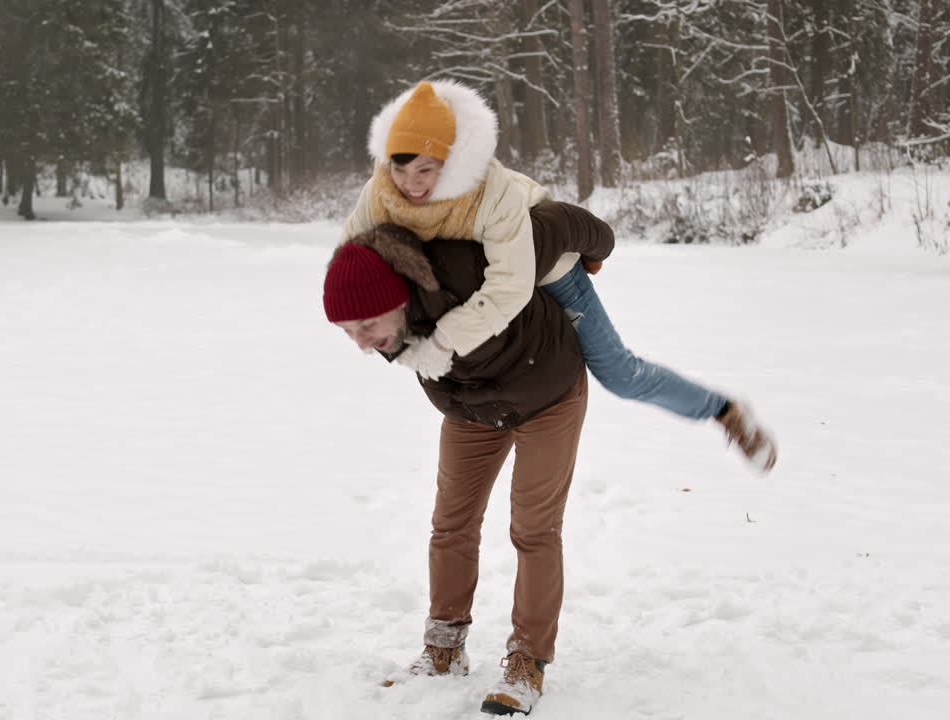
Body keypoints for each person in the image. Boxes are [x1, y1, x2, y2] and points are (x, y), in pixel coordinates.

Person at [343, 80, 777, 471]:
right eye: (400, 170)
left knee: (619, 374)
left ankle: (723, 411)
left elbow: (513, 283)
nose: (412, 184)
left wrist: (441, 342)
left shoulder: (490, 191)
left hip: (547, 271)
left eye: (425, 169)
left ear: (450, 160)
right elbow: (352, 265)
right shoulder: (380, 195)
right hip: (481, 286)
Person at [323, 204, 612, 716]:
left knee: (534, 529)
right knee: (451, 523)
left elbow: (551, 224)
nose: (363, 345)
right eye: (349, 333)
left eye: (366, 326)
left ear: (396, 299)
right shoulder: (391, 326)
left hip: (547, 392)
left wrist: (599, 246)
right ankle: (444, 648)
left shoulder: (466, 266)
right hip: (472, 409)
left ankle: (527, 662)